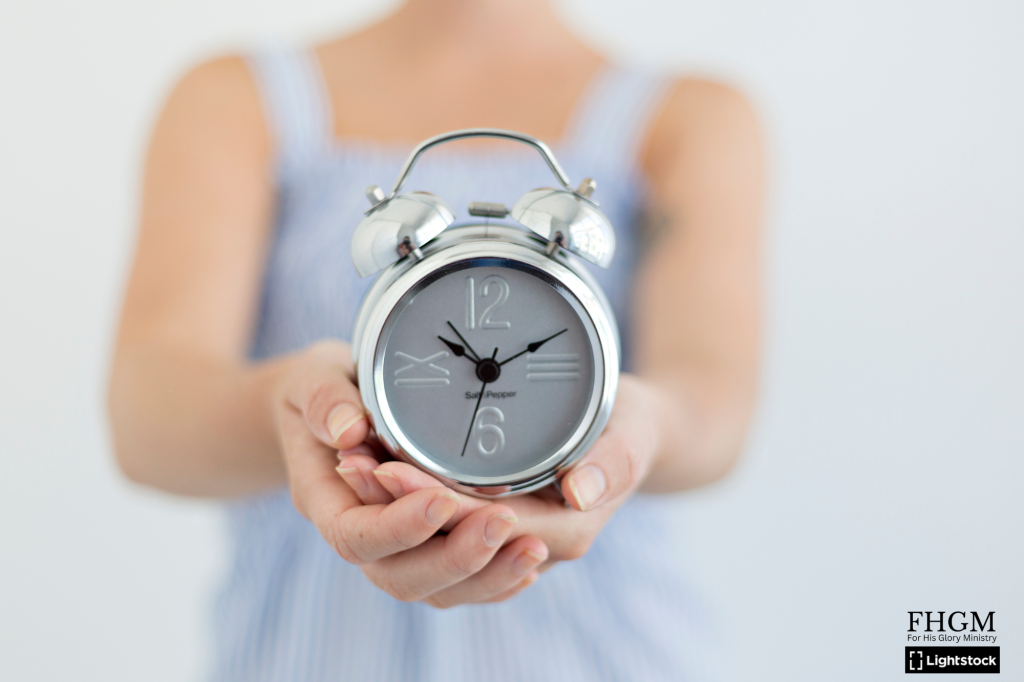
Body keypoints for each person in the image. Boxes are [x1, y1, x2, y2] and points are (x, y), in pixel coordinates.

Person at [108, 0, 763, 678]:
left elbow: (716, 405)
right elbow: (144, 415)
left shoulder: (686, 116)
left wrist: (644, 428)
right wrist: (289, 404)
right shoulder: (244, 97)